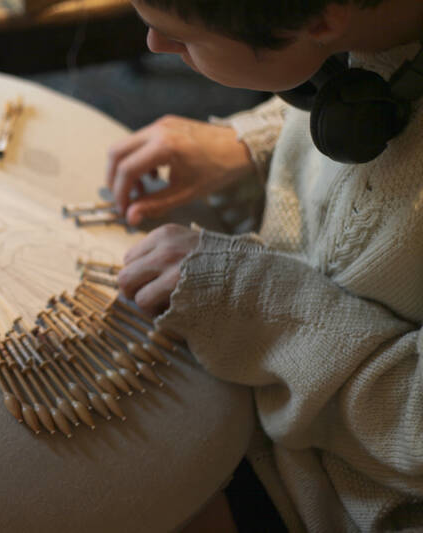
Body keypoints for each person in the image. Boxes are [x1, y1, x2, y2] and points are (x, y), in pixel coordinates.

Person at [106, 0, 423, 531]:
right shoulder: (378, 21)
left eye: (184, 36)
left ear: (321, 19)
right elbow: (371, 72)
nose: (154, 45)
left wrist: (256, 302)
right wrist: (249, 143)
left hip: (342, 491)